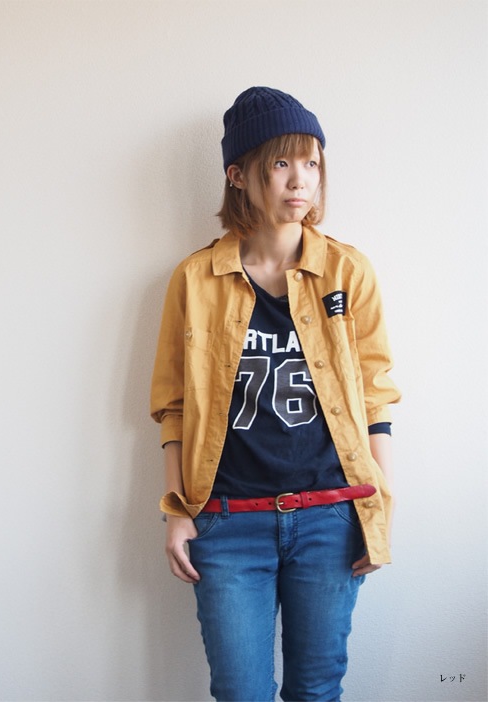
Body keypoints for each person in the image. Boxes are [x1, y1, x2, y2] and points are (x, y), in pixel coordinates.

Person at [150, 86, 401, 702]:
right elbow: (174, 404)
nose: (300, 179)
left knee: (316, 690)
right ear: (238, 175)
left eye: (311, 162)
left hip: (331, 517)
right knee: (241, 693)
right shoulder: (196, 279)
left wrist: (380, 507)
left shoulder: (348, 272)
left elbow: (375, 396)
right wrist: (177, 510)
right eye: (281, 162)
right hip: (228, 523)